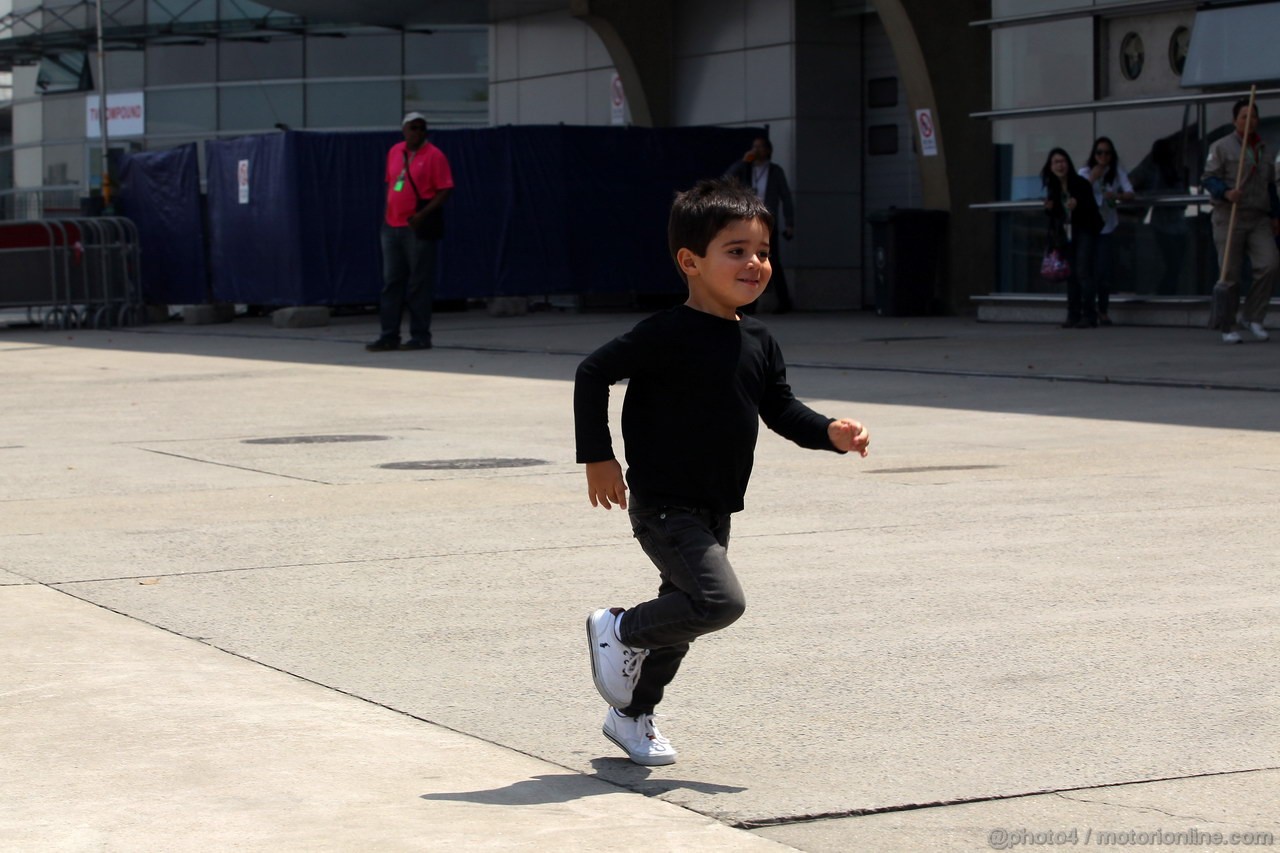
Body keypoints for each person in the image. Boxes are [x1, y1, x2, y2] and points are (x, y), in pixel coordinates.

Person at [574, 178, 870, 766]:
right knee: (717, 602)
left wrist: (829, 433)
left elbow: (781, 409)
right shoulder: (665, 333)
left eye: (762, 251)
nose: (755, 263)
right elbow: (592, 372)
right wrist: (598, 456)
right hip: (664, 504)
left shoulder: (758, 341)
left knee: (681, 622)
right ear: (690, 261)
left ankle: (630, 717)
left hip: (714, 507)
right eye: (736, 251)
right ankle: (619, 627)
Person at [366, 112, 454, 352]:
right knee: (392, 282)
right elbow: (393, 183)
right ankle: (388, 335)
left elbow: (445, 189)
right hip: (391, 225)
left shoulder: (435, 156)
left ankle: (420, 335)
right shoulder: (395, 151)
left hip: (417, 226)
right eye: (413, 127)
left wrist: (422, 216)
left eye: (422, 128)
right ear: (404, 129)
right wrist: (388, 214)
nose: (417, 132)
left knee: (419, 283)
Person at [1202, 97, 1279, 344]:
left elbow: (1271, 186)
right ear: (1235, 120)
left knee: (1269, 264)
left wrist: (1275, 215)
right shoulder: (1220, 147)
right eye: (1245, 116)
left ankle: (1253, 317)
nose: (1250, 120)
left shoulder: (1266, 149)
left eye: (1253, 116)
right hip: (1230, 215)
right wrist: (1225, 192)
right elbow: (1208, 178)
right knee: (1230, 273)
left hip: (1258, 217)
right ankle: (1228, 324)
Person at [725, 137, 795, 313]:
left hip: (767, 221)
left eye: (760, 147)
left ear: (768, 150)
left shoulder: (775, 171)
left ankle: (784, 302)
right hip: (748, 221)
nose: (756, 150)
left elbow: (785, 197)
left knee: (773, 261)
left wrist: (789, 222)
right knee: (748, 260)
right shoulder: (746, 170)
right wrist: (742, 162)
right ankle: (750, 303)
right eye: (754, 147)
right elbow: (726, 179)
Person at [1041, 147, 1104, 328]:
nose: (1060, 166)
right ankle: (1073, 314)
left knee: (1083, 271)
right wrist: (1049, 208)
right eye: (1056, 162)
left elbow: (1091, 209)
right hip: (1066, 233)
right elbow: (1056, 215)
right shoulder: (1053, 186)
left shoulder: (1080, 184)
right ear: (1050, 166)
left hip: (1084, 229)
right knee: (1071, 274)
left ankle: (1089, 314)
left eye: (1063, 161)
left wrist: (1078, 204)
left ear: (1068, 163)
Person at [1078, 137, 1135, 325]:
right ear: (1094, 155)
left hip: (1106, 226)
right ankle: (1088, 308)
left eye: (1107, 153)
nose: (1103, 156)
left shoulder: (1116, 172)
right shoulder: (1085, 172)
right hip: (1087, 225)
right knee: (1087, 269)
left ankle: (1103, 309)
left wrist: (1116, 196)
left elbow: (1130, 192)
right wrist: (1093, 177)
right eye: (1099, 152)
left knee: (1103, 270)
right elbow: (1078, 192)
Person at [1130, 138, 1188, 292]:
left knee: (1176, 265)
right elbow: (1134, 184)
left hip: (1178, 224)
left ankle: (1169, 292)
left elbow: (1183, 197)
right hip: (1163, 224)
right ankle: (1164, 292)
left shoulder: (1175, 169)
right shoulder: (1152, 169)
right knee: (1172, 264)